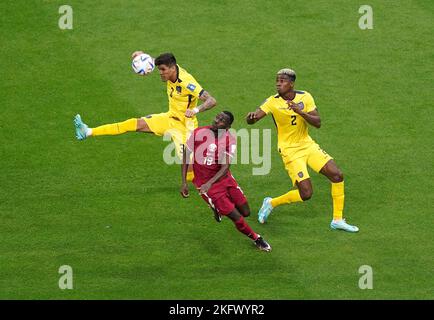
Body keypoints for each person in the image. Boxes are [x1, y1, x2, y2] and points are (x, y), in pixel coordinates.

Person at [73, 52, 217, 181]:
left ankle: (212, 186)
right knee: (132, 123)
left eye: (163, 70)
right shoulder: (169, 67)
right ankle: (88, 131)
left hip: (185, 127)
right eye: (159, 69)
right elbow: (153, 60)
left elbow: (211, 100)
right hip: (169, 118)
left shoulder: (187, 82)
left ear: (172, 68)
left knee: (190, 170)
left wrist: (196, 110)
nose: (160, 73)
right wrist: (139, 56)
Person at [246, 68, 358, 232]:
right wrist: (251, 118)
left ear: (291, 84)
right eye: (277, 80)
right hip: (289, 150)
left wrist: (300, 112)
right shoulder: (272, 101)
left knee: (337, 175)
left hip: (307, 145)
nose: (278, 84)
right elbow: (254, 118)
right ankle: (271, 203)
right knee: (306, 194)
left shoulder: (305, 97)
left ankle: (337, 219)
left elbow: (317, 122)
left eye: (282, 81)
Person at [181, 111, 272, 252]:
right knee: (236, 216)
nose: (217, 120)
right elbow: (186, 154)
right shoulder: (199, 133)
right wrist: (184, 182)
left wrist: (210, 182)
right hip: (206, 186)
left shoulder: (230, 140)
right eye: (217, 117)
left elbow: (225, 167)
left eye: (222, 120)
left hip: (225, 180)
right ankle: (257, 238)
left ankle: (217, 207)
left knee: (246, 212)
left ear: (228, 126)